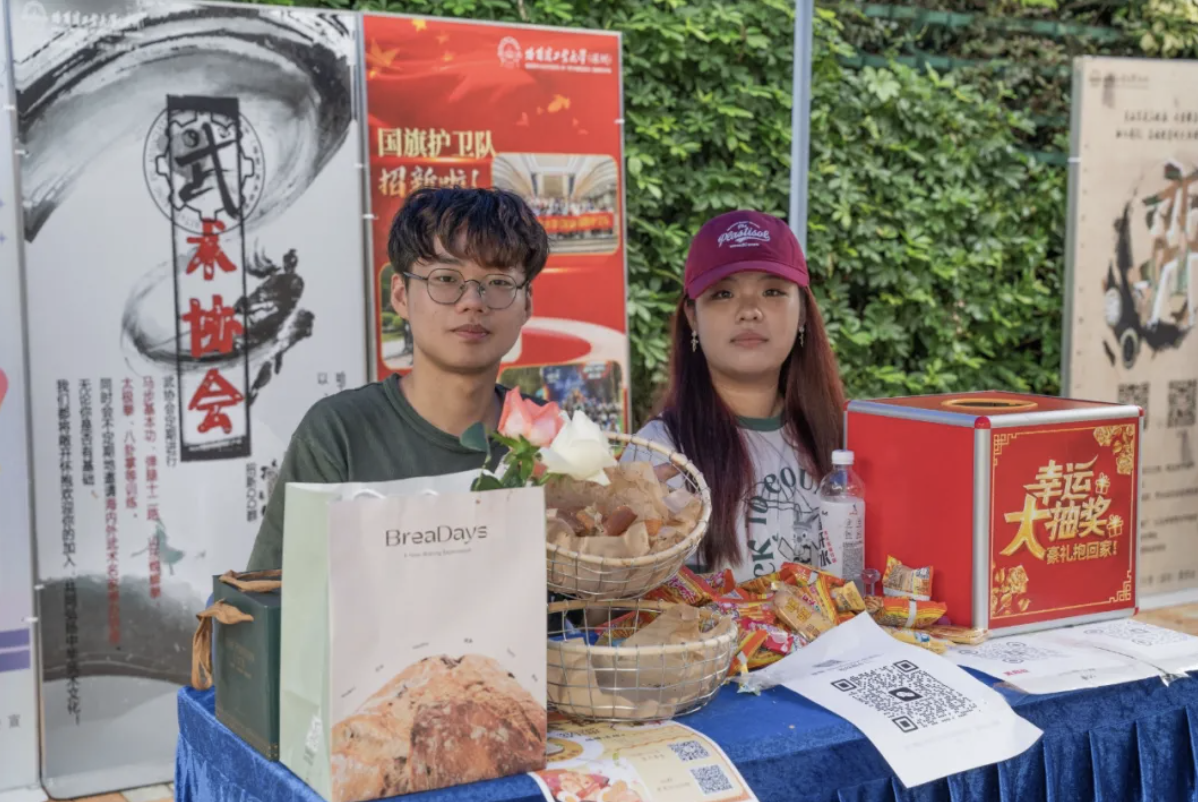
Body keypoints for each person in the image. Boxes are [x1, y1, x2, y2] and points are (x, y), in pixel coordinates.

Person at [246, 187, 549, 570]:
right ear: (401, 295)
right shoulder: (339, 434)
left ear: (527, 303)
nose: (473, 301)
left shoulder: (551, 437)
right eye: (446, 278)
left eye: (499, 282)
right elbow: (276, 594)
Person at [631, 210, 846, 582]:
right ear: (693, 317)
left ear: (802, 314)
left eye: (772, 291)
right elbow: (619, 601)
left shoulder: (844, 438)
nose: (749, 311)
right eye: (723, 293)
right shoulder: (659, 454)